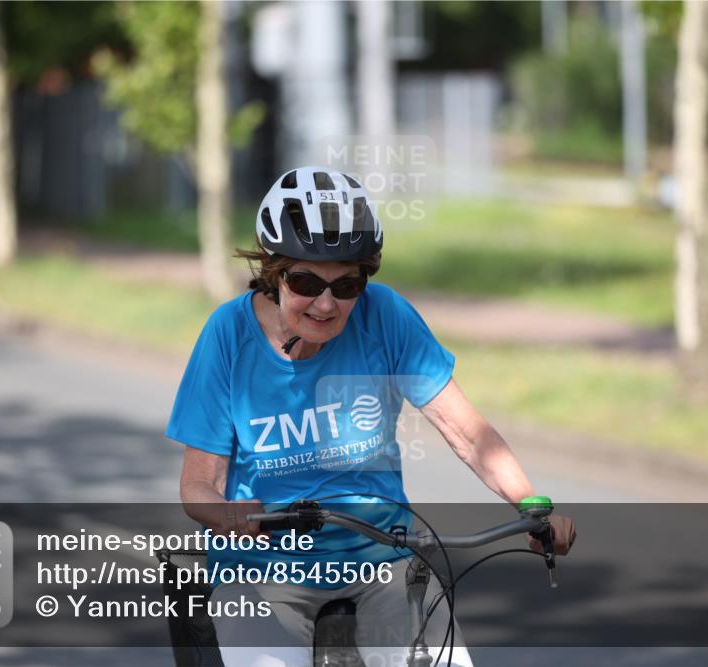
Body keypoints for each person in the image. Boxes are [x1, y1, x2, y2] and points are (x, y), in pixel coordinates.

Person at [167, 166, 576, 667]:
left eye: (347, 285)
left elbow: (467, 434)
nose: (325, 303)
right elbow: (198, 488)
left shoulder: (386, 316)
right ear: (274, 274)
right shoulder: (227, 334)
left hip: (382, 560)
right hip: (264, 572)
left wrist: (532, 506)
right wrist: (234, 516)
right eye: (305, 281)